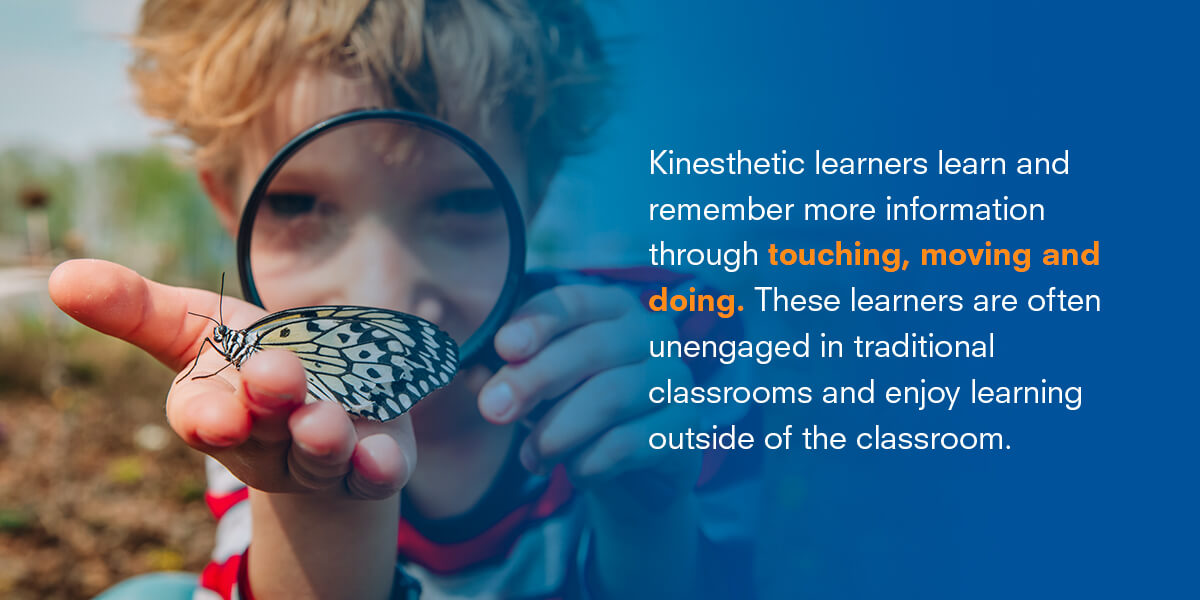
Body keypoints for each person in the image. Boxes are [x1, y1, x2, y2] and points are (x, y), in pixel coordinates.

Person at [54, 1, 759, 598]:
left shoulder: (658, 348)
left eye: (464, 200)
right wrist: (316, 506)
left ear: (534, 196)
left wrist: (649, 515)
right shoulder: (259, 393)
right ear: (225, 203)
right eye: (299, 203)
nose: (383, 290)